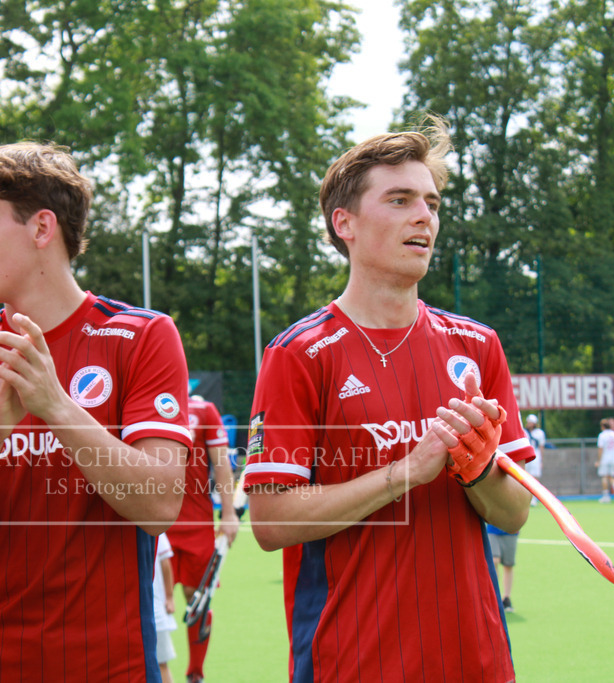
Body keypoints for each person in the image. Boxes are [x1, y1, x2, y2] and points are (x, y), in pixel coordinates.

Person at [243, 121, 533, 681]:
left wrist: (477, 472)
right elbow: (272, 521)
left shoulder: (476, 346)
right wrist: (408, 471)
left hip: (477, 663)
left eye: (431, 201)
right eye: (399, 200)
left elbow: (514, 514)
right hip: (350, 662)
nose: (423, 216)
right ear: (344, 223)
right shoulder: (299, 353)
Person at [0, 141, 191, 681]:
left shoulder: (140, 337)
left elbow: (160, 503)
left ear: (42, 228)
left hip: (115, 669)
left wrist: (57, 408)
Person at [165, 393, 239, 683]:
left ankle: (195, 673)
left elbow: (222, 464)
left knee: (197, 600)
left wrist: (229, 514)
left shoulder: (203, 410)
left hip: (197, 525)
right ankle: (154, 671)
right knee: (155, 601)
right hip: (156, 525)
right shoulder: (145, 402)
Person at [153, 533, 178, 683]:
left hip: (156, 614)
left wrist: (169, 597)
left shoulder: (154, 529)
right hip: (131, 614)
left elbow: (165, 562)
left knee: (160, 663)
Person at [487, 523, 518, 612]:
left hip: (511, 530)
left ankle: (506, 598)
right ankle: (494, 595)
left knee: (508, 565)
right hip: (492, 530)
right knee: (494, 560)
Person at [597, 417, 614, 503]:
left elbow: (601, 449)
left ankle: (606, 496)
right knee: (611, 476)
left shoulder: (602, 435)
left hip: (605, 459)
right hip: (613, 458)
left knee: (604, 476)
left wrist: (599, 460)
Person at [523, 413, 545, 506]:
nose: (529, 424)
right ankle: (526, 497)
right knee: (525, 477)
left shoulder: (539, 433)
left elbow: (541, 446)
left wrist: (541, 460)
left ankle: (534, 498)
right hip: (527, 455)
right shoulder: (524, 431)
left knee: (535, 477)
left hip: (536, 455)